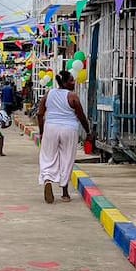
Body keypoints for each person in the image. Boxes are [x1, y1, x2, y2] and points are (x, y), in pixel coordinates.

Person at [36, 70, 92, 204]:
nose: (74, 83)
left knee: (48, 156)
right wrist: (88, 132)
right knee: (67, 158)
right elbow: (81, 116)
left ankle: (48, 179)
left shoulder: (48, 94)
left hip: (51, 128)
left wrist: (42, 131)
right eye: (72, 80)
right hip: (69, 129)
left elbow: (39, 114)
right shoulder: (72, 96)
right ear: (65, 82)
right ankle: (65, 193)